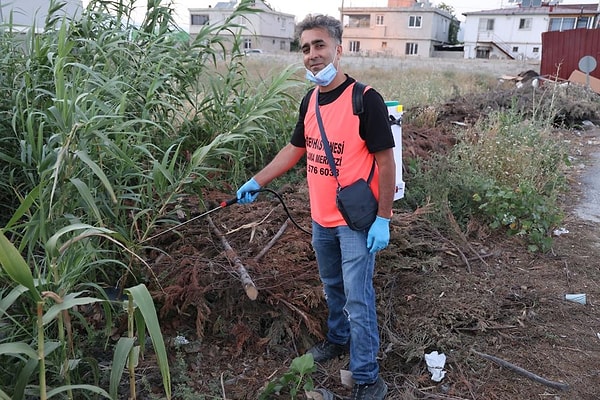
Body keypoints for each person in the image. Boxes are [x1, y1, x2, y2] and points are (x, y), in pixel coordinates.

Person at [236, 14, 395, 400]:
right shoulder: (310, 100)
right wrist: (259, 180)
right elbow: (295, 149)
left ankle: (368, 377)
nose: (312, 55)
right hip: (321, 220)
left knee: (359, 298)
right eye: (305, 48)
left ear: (339, 49)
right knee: (332, 287)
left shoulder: (365, 99)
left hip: (356, 222)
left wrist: (384, 219)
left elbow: (387, 161)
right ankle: (338, 340)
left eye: (320, 45)